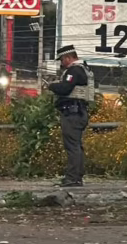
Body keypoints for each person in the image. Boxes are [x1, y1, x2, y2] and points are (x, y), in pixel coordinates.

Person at [46, 45, 94, 187]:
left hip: (72, 113)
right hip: (80, 112)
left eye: (62, 60)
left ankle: (72, 178)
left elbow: (65, 88)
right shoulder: (85, 69)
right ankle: (77, 177)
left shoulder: (74, 70)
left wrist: (51, 85)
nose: (61, 63)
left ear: (68, 58)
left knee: (72, 146)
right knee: (77, 145)